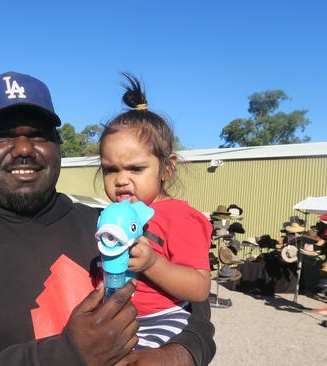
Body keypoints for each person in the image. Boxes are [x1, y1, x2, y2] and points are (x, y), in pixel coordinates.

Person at [0, 71, 215, 366]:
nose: (24, 147)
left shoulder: (100, 224)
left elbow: (191, 304)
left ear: (57, 144)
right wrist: (69, 356)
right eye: (4, 134)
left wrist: (182, 353)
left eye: (38, 133)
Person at [98, 74, 211, 349]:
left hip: (162, 320)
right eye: (110, 169)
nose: (121, 179)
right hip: (118, 314)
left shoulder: (179, 217)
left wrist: (152, 264)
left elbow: (199, 288)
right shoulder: (110, 215)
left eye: (136, 169)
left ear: (167, 168)